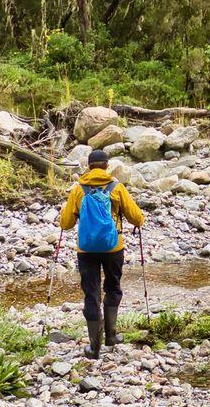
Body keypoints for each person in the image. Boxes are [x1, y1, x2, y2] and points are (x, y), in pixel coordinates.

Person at [58, 149, 146, 359]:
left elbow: (66, 224)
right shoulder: (117, 187)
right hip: (113, 248)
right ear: (107, 166)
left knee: (91, 293)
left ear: (89, 166)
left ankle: (94, 347)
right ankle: (111, 336)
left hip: (86, 249)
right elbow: (136, 218)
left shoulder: (78, 190)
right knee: (113, 287)